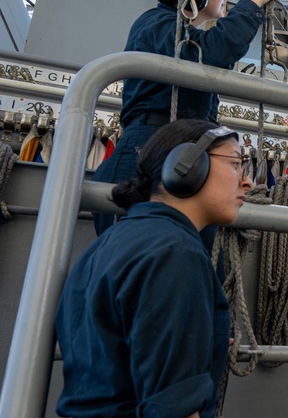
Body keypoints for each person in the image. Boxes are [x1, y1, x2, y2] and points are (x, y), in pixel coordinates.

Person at [56, 119, 253, 418]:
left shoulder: (106, 244)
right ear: (186, 166)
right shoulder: (176, 255)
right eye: (236, 163)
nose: (248, 181)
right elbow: (172, 409)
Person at [92, 0, 281, 242]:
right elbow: (216, 51)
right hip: (148, 157)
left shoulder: (176, 34)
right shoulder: (156, 25)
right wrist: (253, 1)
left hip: (174, 157)